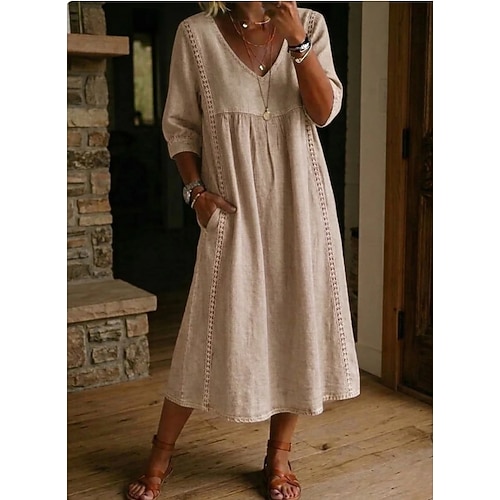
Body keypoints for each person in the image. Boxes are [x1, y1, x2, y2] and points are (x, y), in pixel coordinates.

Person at [126, 2, 360, 499]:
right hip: (233, 207)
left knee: (297, 320)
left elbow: (323, 112)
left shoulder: (310, 25)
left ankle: (279, 456)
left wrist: (297, 41)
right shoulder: (196, 35)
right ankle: (161, 453)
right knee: (205, 327)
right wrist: (195, 193)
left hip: (301, 204)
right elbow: (180, 124)